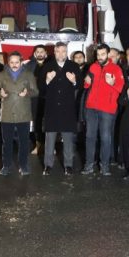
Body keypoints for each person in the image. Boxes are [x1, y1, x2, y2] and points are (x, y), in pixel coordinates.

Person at [81, 44, 125, 175]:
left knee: (105, 137)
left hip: (107, 108)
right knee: (89, 136)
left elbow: (121, 88)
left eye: (102, 54)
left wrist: (113, 83)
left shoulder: (116, 68)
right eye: (98, 55)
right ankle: (89, 165)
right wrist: (87, 82)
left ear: (108, 54)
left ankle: (104, 166)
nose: (100, 57)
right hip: (91, 108)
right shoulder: (93, 67)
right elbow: (87, 85)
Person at [0, 52, 39, 175]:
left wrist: (27, 93)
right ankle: (6, 166)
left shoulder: (28, 74)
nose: (14, 65)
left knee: (24, 142)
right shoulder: (1, 75)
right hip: (7, 113)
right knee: (6, 142)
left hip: (23, 113)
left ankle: (24, 166)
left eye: (16, 62)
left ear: (21, 62)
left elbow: (36, 92)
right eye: (12, 62)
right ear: (8, 62)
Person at [41, 42, 82, 175]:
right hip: (52, 108)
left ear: (67, 52)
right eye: (58, 51)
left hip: (67, 108)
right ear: (54, 52)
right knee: (50, 138)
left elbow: (80, 85)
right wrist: (47, 80)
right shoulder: (47, 66)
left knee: (68, 139)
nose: (61, 54)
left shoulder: (74, 66)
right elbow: (40, 88)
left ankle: (68, 165)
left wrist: (74, 81)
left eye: (63, 51)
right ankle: (48, 165)